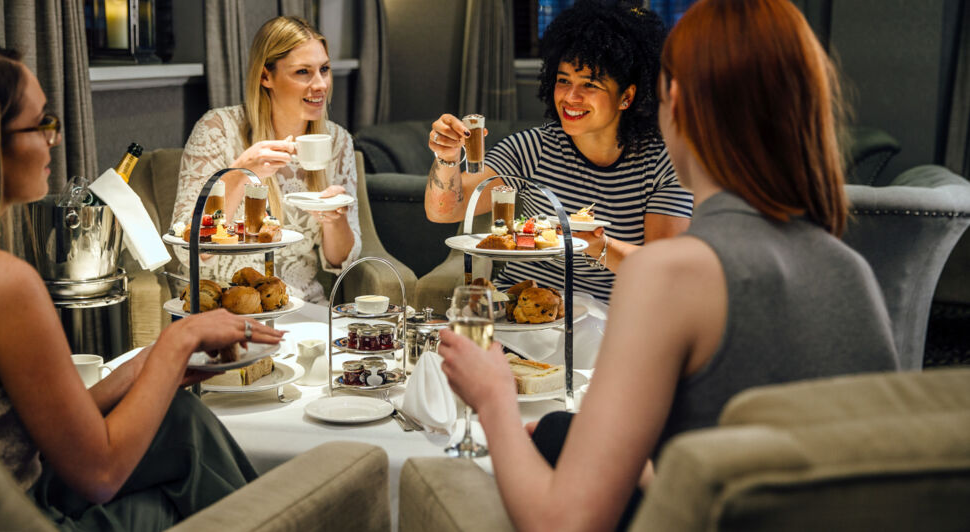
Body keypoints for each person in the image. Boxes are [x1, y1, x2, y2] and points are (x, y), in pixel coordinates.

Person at [437, 0, 899, 530]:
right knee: (559, 430)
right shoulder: (852, 273)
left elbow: (561, 522)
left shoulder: (668, 276)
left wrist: (494, 394)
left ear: (671, 99)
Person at [0, 43, 284, 531]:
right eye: (40, 124)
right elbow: (99, 473)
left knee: (179, 419)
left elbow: (35, 428)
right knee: (182, 497)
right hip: (21, 517)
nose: (54, 140)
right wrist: (179, 339)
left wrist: (157, 367)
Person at [424, 0, 692, 302]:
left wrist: (592, 244)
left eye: (590, 84)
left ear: (627, 96)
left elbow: (665, 271)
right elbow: (444, 212)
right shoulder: (532, 148)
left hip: (610, 320)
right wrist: (446, 157)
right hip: (520, 311)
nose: (570, 97)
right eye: (563, 80)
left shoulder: (662, 163)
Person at [172, 16, 360, 303]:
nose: (320, 84)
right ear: (265, 77)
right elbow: (190, 250)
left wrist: (335, 221)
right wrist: (239, 173)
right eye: (302, 72)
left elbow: (339, 260)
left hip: (301, 303)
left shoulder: (338, 142)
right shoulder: (217, 130)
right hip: (228, 304)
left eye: (324, 69)